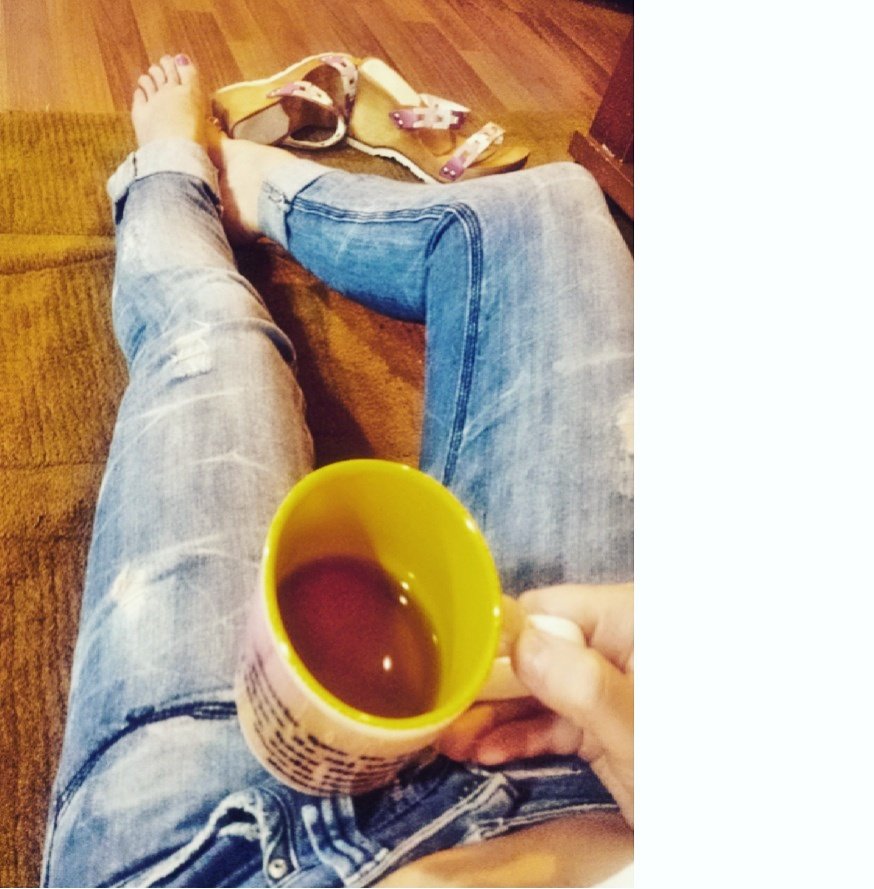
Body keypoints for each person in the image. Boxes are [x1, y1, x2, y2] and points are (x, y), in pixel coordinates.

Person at [41, 55, 633, 887]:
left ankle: (173, 175)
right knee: (554, 206)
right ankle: (269, 191)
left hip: (218, 859)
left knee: (214, 342)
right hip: (595, 760)